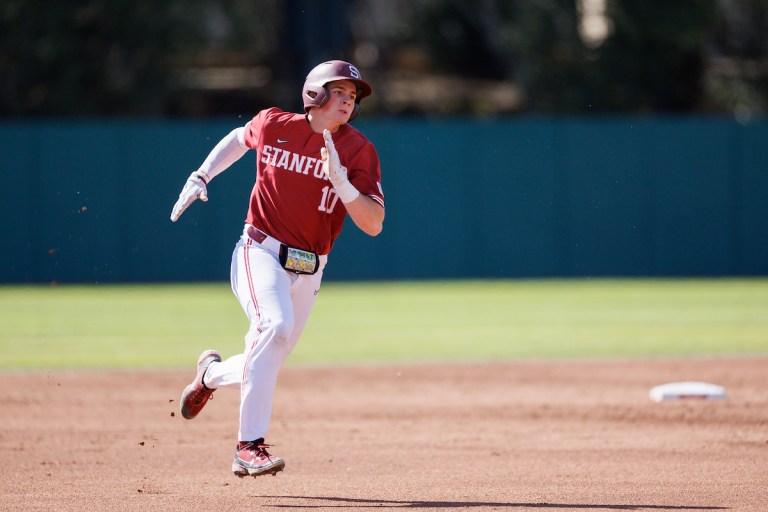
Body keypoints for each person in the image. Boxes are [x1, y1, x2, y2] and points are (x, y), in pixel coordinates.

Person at [169, 60, 385, 478]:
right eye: (339, 91)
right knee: (274, 327)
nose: (347, 101)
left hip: (311, 266)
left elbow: (373, 224)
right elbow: (238, 138)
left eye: (353, 96)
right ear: (314, 93)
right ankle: (248, 447)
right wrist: (203, 174)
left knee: (271, 350)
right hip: (260, 250)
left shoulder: (359, 150)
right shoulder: (275, 124)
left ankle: (210, 376)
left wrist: (344, 185)